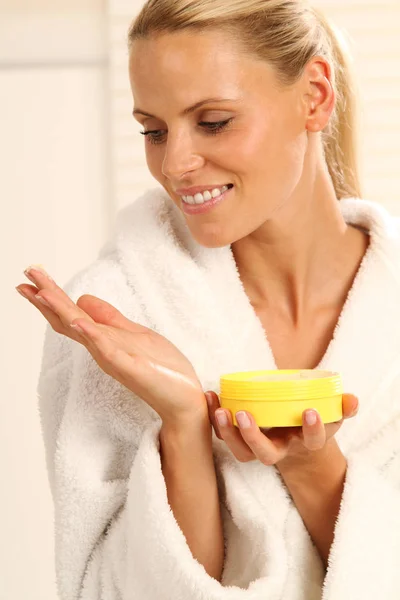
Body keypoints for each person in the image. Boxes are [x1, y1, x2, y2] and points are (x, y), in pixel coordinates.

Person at [16, 1, 400, 599]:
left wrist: (314, 471)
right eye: (154, 131)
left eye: (214, 121)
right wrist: (184, 426)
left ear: (315, 97)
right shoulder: (115, 317)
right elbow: (103, 591)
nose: (175, 164)